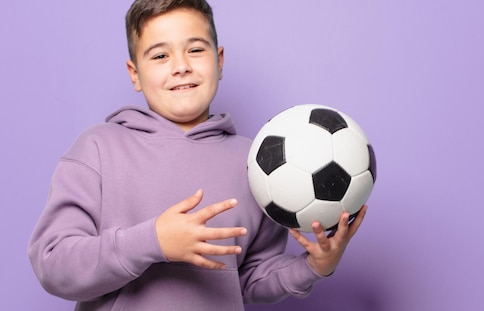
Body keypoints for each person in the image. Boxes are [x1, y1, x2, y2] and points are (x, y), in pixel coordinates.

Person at [27, 0, 367, 310]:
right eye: (160, 55)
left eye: (195, 50)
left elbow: (247, 280)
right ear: (135, 74)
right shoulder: (98, 149)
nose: (181, 67)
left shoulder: (260, 162)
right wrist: (153, 240)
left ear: (219, 62)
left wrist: (312, 267)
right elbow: (53, 264)